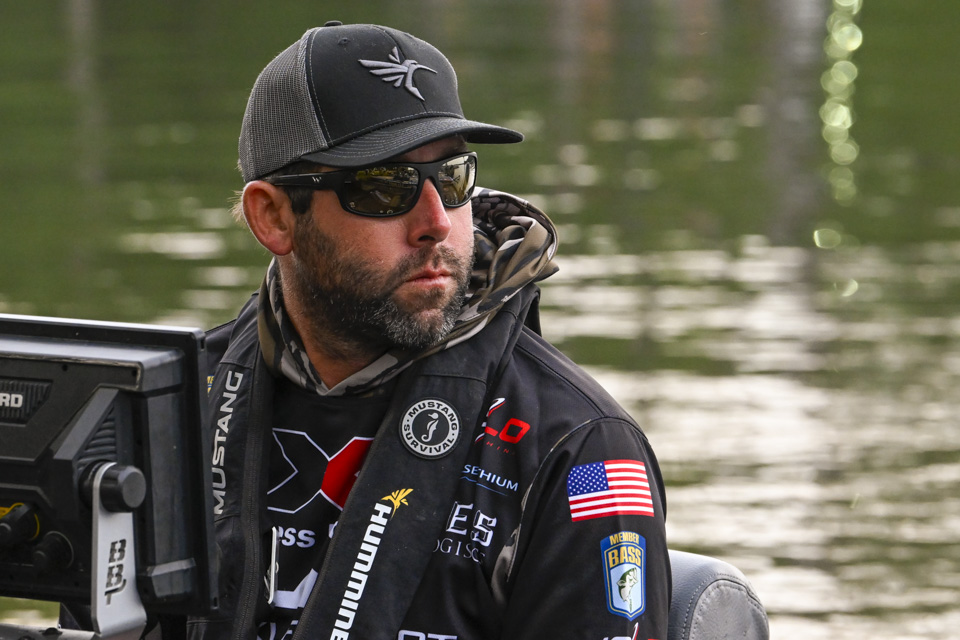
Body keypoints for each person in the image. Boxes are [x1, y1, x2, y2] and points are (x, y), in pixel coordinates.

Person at [197, 21, 670, 640]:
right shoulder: (175, 403)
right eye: (384, 187)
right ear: (274, 217)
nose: (437, 222)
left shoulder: (580, 450)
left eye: (452, 178)